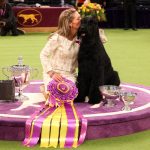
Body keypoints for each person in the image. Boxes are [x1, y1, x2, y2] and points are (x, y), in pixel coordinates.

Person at [40, 8, 81, 95]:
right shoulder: (57, 38)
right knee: (57, 93)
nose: (81, 20)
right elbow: (43, 55)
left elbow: (103, 40)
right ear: (70, 23)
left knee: (69, 93)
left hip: (70, 75)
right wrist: (51, 73)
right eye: (78, 18)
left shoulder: (81, 37)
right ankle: (45, 87)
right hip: (54, 74)